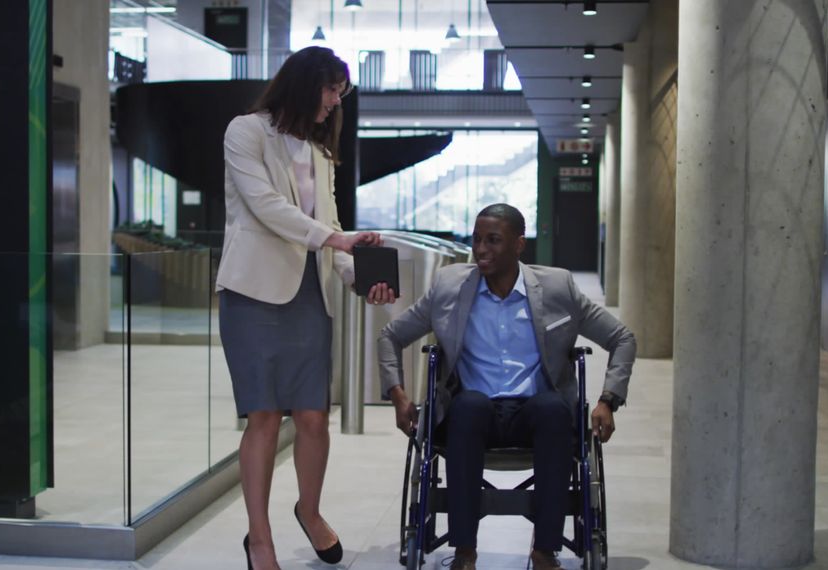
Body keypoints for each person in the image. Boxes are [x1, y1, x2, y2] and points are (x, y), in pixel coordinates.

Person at [377, 203, 636, 570]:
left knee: (552, 410)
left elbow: (621, 337)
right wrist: (398, 396)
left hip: (533, 412)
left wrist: (608, 400)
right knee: (468, 407)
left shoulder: (557, 287)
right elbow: (390, 336)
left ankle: (545, 551)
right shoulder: (450, 286)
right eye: (477, 239)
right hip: (473, 414)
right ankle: (464, 550)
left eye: (493, 240)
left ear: (519, 245)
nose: (481, 249)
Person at [215, 46, 395, 570]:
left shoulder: (318, 153)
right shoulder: (245, 132)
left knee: (315, 417)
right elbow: (268, 209)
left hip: (308, 298)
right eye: (331, 88)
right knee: (265, 418)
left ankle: (309, 512)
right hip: (252, 296)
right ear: (303, 83)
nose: (336, 101)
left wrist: (361, 277)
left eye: (341, 91)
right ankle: (260, 540)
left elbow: (332, 234)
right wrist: (337, 241)